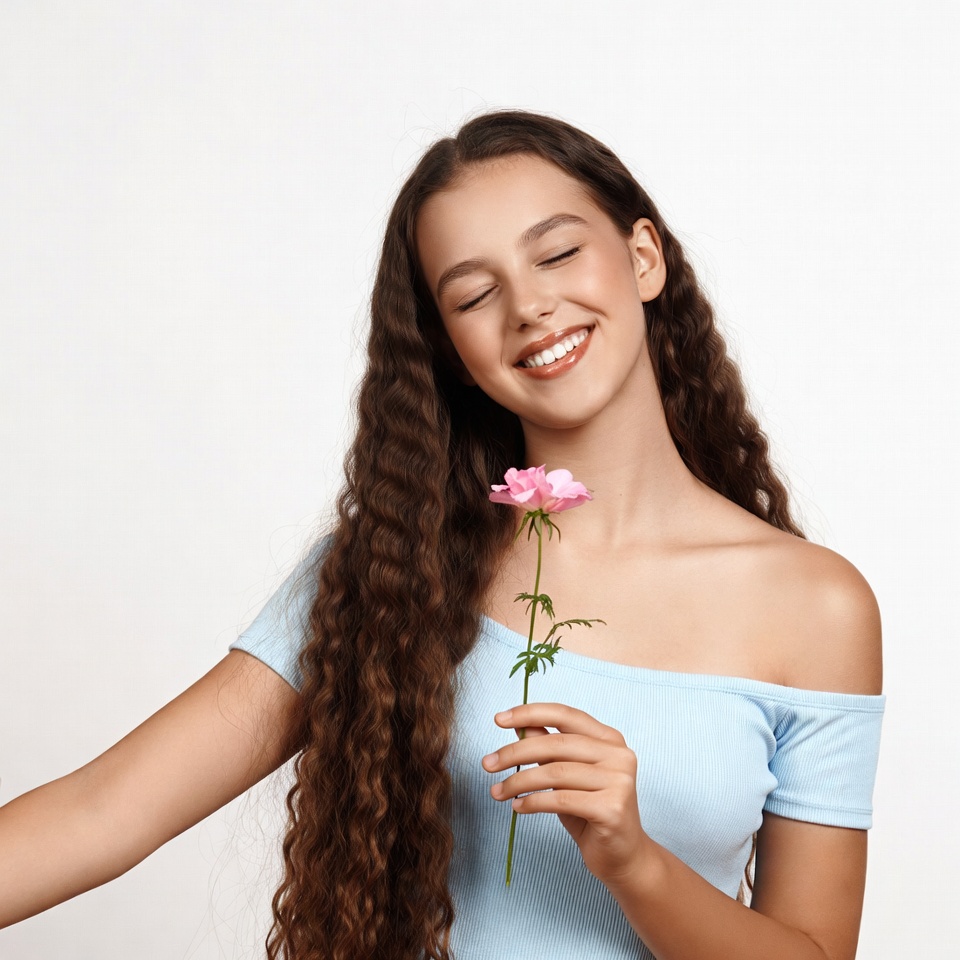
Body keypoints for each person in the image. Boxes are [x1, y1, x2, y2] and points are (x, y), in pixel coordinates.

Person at [0, 110, 884, 960]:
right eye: (474, 293)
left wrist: (634, 860)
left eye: (560, 253)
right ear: (449, 345)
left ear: (643, 257)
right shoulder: (393, 566)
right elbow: (101, 813)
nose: (531, 307)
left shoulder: (817, 608)